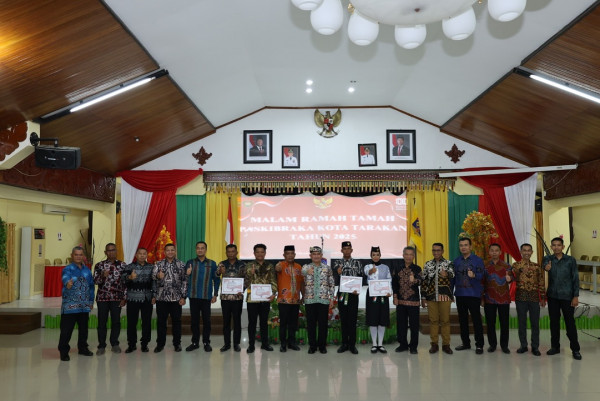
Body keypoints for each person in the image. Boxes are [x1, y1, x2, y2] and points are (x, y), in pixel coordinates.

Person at [545, 237, 581, 360]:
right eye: (554, 245)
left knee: (570, 323)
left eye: (558, 245)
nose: (556, 247)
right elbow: (544, 266)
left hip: (567, 296)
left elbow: (575, 278)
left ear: (563, 247)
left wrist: (575, 296)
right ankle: (555, 347)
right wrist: (546, 267)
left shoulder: (570, 260)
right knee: (554, 323)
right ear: (551, 247)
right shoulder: (548, 259)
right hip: (552, 296)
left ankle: (575, 349)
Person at [58, 246, 95, 361]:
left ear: (83, 256)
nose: (78, 257)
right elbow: (65, 278)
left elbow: (91, 286)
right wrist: (67, 283)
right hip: (70, 307)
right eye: (76, 255)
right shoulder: (68, 269)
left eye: (80, 255)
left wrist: (91, 301)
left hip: (84, 306)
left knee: (84, 330)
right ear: (72, 255)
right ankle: (64, 352)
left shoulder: (87, 270)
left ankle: (83, 348)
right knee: (66, 331)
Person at [185, 241, 220, 352]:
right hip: (193, 296)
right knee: (194, 321)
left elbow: (217, 279)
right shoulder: (190, 262)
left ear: (205, 250)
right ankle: (195, 342)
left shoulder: (212, 263)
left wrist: (215, 294)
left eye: (202, 248)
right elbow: (184, 279)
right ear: (196, 250)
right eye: (198, 248)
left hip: (206, 297)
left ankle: (206, 342)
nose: (200, 250)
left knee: (207, 321)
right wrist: (187, 274)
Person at [152, 243, 187, 353]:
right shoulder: (159, 264)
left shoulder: (181, 264)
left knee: (177, 322)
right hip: (161, 298)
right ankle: (160, 344)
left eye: (172, 250)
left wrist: (183, 296)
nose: (170, 252)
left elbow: (184, 281)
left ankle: (177, 344)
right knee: (161, 322)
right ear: (164, 252)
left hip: (176, 299)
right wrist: (157, 276)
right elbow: (153, 278)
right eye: (168, 250)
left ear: (175, 251)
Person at [452, 237, 485, 354]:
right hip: (460, 294)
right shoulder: (456, 261)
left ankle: (479, 345)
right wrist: (450, 292)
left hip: (473, 295)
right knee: (462, 320)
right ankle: (465, 343)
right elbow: (453, 278)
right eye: (461, 245)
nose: (463, 247)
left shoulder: (477, 260)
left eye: (466, 245)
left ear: (470, 247)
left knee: (476, 320)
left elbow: (482, 276)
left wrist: (474, 275)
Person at [512, 243, 546, 356]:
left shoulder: (537, 267)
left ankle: (535, 347)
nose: (526, 252)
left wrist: (543, 297)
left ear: (531, 252)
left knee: (535, 323)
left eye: (528, 250)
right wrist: (521, 270)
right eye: (524, 250)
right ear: (521, 252)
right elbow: (513, 275)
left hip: (534, 298)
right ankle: (523, 345)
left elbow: (541, 282)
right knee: (522, 323)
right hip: (520, 297)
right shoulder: (516, 265)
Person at [93, 243, 127, 355]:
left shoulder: (122, 265)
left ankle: (115, 344)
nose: (111, 252)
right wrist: (102, 276)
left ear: (116, 251)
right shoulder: (99, 265)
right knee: (102, 322)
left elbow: (125, 283)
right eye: (109, 250)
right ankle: (101, 345)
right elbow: (95, 281)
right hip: (102, 298)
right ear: (105, 252)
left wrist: (124, 298)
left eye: (113, 250)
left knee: (116, 321)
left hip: (117, 298)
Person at [421, 243, 454, 355]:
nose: (436, 252)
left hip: (445, 297)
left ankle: (446, 345)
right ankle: (434, 344)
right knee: (433, 321)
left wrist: (447, 274)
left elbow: (453, 275)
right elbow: (424, 281)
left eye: (438, 250)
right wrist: (423, 297)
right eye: (434, 250)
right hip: (431, 297)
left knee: (445, 321)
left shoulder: (448, 263)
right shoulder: (428, 264)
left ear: (442, 251)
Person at [302, 246, 335, 354]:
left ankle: (322, 346)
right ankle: (312, 346)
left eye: (318, 254)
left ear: (321, 256)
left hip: (323, 300)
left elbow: (331, 284)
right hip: (310, 300)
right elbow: (302, 273)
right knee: (311, 324)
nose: (316, 256)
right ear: (310, 256)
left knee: (323, 324)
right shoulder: (306, 267)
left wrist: (331, 298)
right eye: (314, 254)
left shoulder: (327, 268)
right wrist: (307, 271)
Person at [245, 243, 277, 353]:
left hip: (265, 298)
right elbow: (246, 283)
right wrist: (250, 274)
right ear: (254, 253)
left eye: (262, 252)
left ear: (265, 253)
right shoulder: (249, 265)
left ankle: (265, 344)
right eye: (257, 252)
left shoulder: (270, 266)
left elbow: (273, 280)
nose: (260, 254)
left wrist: (273, 293)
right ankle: (251, 345)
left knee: (264, 322)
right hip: (252, 299)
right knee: (252, 323)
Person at [123, 247, 154, 353]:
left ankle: (145, 344)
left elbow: (154, 282)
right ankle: (131, 344)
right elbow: (122, 279)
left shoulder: (151, 267)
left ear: (146, 255)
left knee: (146, 322)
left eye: (144, 253)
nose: (142, 255)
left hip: (147, 298)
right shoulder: (129, 266)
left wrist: (154, 296)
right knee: (132, 322)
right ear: (136, 255)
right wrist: (129, 277)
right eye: (140, 253)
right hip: (132, 298)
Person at [333, 241, 362, 354]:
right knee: (344, 319)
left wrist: (358, 289)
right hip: (342, 294)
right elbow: (334, 278)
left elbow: (361, 277)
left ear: (351, 250)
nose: (346, 250)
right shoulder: (337, 263)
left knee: (352, 319)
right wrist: (337, 272)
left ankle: (352, 345)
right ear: (341, 250)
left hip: (353, 294)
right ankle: (344, 344)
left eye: (348, 248)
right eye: (344, 248)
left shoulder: (357, 263)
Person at [483, 243, 512, 354]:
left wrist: (509, 279)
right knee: (490, 324)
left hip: (503, 299)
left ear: (500, 252)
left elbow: (512, 278)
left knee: (504, 323)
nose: (494, 252)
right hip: (489, 298)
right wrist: (481, 298)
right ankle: (492, 345)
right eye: (492, 250)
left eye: (496, 250)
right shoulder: (485, 265)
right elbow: (481, 282)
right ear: (489, 252)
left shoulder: (506, 266)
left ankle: (504, 346)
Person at [392, 246, 422, 354]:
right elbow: (394, 284)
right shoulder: (397, 268)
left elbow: (421, 281)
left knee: (414, 325)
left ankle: (413, 346)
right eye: (407, 254)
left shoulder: (417, 268)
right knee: (401, 324)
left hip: (414, 301)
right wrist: (395, 297)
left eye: (411, 254)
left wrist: (414, 280)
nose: (408, 257)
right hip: (400, 301)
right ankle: (403, 345)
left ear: (413, 256)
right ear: (403, 255)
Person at [217, 244, 246, 352]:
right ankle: (227, 344)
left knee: (237, 321)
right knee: (226, 321)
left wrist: (242, 289)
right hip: (225, 298)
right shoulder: (222, 264)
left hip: (237, 298)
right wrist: (219, 272)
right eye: (228, 252)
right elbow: (216, 275)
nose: (231, 253)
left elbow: (247, 279)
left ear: (236, 252)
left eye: (233, 251)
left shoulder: (242, 265)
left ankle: (236, 344)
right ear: (226, 253)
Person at [275, 245, 304, 352]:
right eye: (288, 253)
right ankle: (283, 344)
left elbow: (301, 283)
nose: (290, 255)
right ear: (284, 255)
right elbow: (277, 269)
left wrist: (303, 295)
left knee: (293, 323)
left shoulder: (299, 267)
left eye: (292, 253)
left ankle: (292, 343)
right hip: (283, 300)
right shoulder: (280, 265)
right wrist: (277, 268)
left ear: (295, 255)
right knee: (283, 323)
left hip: (295, 300)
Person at [364, 246, 391, 353]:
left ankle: (380, 344)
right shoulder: (367, 266)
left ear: (380, 255)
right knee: (373, 319)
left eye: (377, 255)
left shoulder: (385, 267)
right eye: (373, 255)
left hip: (383, 295)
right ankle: (374, 344)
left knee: (382, 319)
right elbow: (367, 272)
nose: (375, 257)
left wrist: (389, 291)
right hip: (372, 296)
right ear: (371, 256)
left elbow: (389, 280)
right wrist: (372, 271)